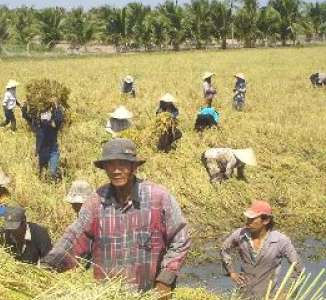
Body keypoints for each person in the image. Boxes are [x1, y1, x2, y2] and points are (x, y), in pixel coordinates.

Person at [41, 139, 191, 296]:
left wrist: (165, 279)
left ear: (134, 167)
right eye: (110, 164)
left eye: (123, 164)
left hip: (150, 293)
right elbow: (73, 239)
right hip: (108, 293)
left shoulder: (158, 197)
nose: (116, 170)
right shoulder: (96, 202)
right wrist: (47, 267)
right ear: (104, 168)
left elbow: (180, 239)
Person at [220, 201, 303, 300]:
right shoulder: (240, 235)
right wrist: (231, 272)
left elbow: (298, 269)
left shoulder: (281, 241)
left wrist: (286, 293)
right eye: (248, 218)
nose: (248, 221)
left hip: (268, 296)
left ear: (266, 220)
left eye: (252, 219)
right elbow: (224, 249)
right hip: (243, 294)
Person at [22, 97, 64, 181]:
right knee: (42, 173)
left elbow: (59, 119)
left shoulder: (53, 125)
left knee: (52, 173)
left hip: (53, 151)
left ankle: (53, 182)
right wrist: (25, 105)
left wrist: (57, 105)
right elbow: (25, 115)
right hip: (41, 151)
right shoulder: (37, 124)